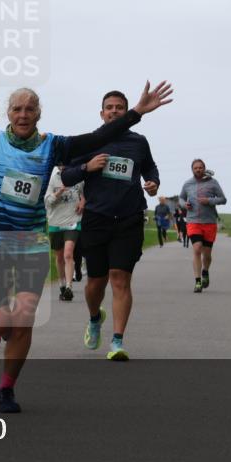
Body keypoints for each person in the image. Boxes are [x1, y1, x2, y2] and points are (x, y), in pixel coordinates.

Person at [0, 81, 173, 413]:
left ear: (38, 114)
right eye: (17, 109)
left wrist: (135, 113)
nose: (23, 114)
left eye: (29, 109)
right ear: (8, 113)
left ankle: (6, 389)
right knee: (1, 321)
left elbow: (96, 139)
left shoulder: (52, 146)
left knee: (24, 319)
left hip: (31, 243)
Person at [62, 90, 161, 361]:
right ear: (101, 113)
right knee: (96, 281)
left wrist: (153, 183)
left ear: (126, 112)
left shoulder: (138, 142)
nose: (114, 111)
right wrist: (87, 167)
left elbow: (150, 168)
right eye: (109, 107)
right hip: (96, 218)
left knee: (120, 278)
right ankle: (95, 318)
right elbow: (67, 177)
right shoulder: (91, 142)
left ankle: (117, 341)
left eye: (119, 107)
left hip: (129, 217)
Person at [179, 160, 228, 293]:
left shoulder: (212, 182)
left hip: (209, 222)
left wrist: (209, 201)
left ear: (204, 168)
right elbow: (181, 198)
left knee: (207, 254)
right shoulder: (188, 184)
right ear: (192, 170)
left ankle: (205, 271)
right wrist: (185, 205)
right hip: (193, 221)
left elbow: (223, 199)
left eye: (200, 167)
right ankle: (198, 281)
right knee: (197, 248)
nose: (198, 170)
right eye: (195, 168)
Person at [44, 165, 84, 301]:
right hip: (55, 222)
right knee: (60, 256)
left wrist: (83, 202)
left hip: (73, 220)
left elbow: (86, 193)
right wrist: (59, 192)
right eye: (61, 165)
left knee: (68, 253)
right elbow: (47, 201)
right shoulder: (53, 178)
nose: (63, 167)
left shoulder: (78, 177)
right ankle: (61, 285)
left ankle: (69, 287)